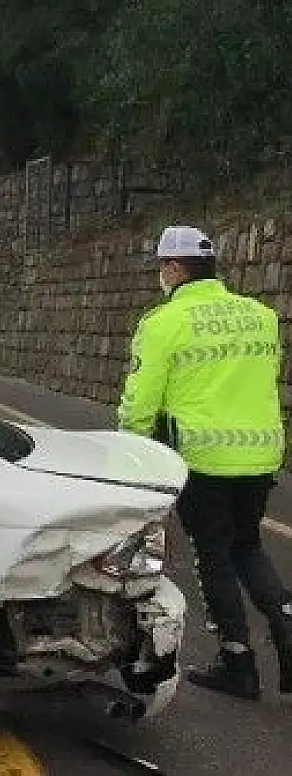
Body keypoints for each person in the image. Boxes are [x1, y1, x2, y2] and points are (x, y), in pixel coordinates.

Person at [119, 224, 292, 700]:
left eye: (161, 267)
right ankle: (287, 627)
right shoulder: (261, 316)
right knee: (247, 546)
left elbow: (140, 404)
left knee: (213, 557)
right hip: (259, 455)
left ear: (175, 269)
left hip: (203, 459)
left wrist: (130, 459)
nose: (160, 276)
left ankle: (239, 664)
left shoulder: (162, 324)